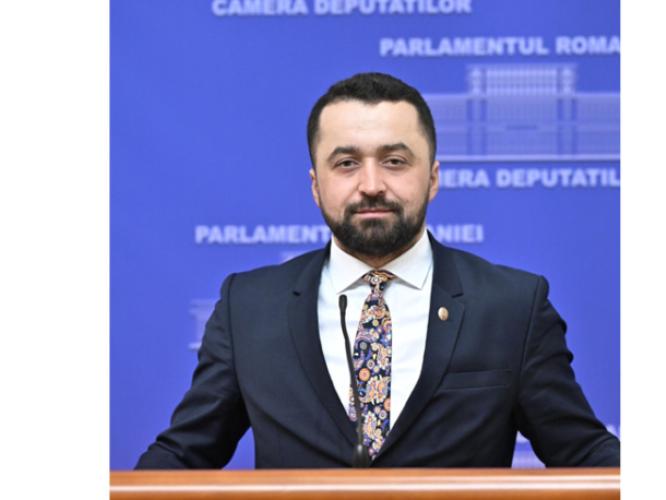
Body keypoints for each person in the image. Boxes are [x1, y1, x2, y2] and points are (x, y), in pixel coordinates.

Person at [136, 72, 620, 469]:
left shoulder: (512, 305)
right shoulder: (248, 307)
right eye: (347, 163)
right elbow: (182, 457)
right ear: (315, 185)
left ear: (432, 178)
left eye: (394, 161)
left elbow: (583, 454)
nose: (371, 184)